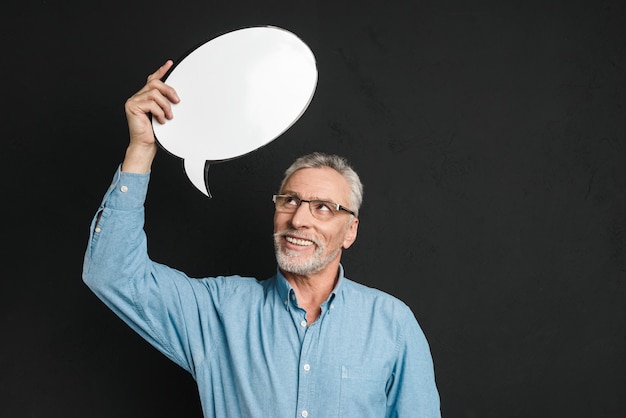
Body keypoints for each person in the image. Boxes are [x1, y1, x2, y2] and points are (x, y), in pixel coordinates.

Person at [83, 60, 441, 417]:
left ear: (350, 231)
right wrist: (141, 149)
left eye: (323, 208)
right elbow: (112, 274)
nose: (299, 219)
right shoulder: (219, 312)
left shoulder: (392, 324)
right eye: (290, 201)